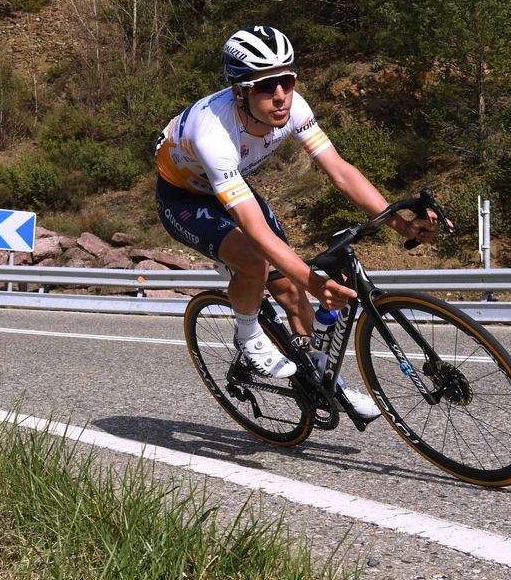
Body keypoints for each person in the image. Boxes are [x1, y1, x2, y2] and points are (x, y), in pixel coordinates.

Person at [154, 25, 441, 419]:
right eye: (264, 86)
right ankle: (248, 335)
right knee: (255, 261)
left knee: (290, 289)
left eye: (286, 81)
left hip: (230, 186)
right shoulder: (213, 134)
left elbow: (340, 171)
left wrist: (401, 224)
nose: (280, 96)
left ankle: (325, 382)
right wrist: (316, 279)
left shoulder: (294, 108)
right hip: (184, 197)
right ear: (238, 91)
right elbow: (255, 232)